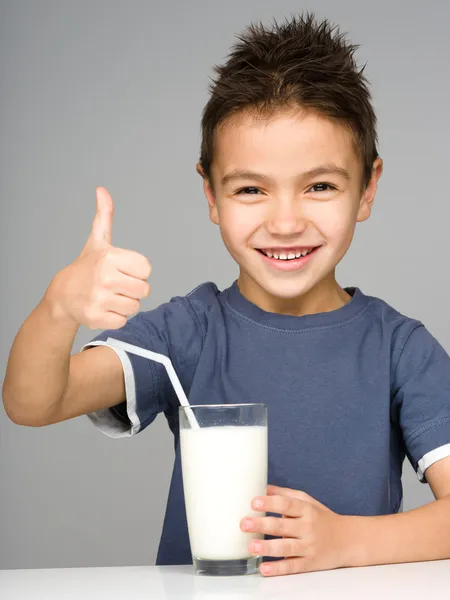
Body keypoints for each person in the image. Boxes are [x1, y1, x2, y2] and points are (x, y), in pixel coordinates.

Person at [3, 12, 450, 578]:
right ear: (211, 197)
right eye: (249, 189)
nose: (285, 222)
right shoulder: (188, 332)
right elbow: (33, 402)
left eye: (319, 186)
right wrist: (58, 310)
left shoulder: (399, 349)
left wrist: (347, 542)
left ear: (367, 189)